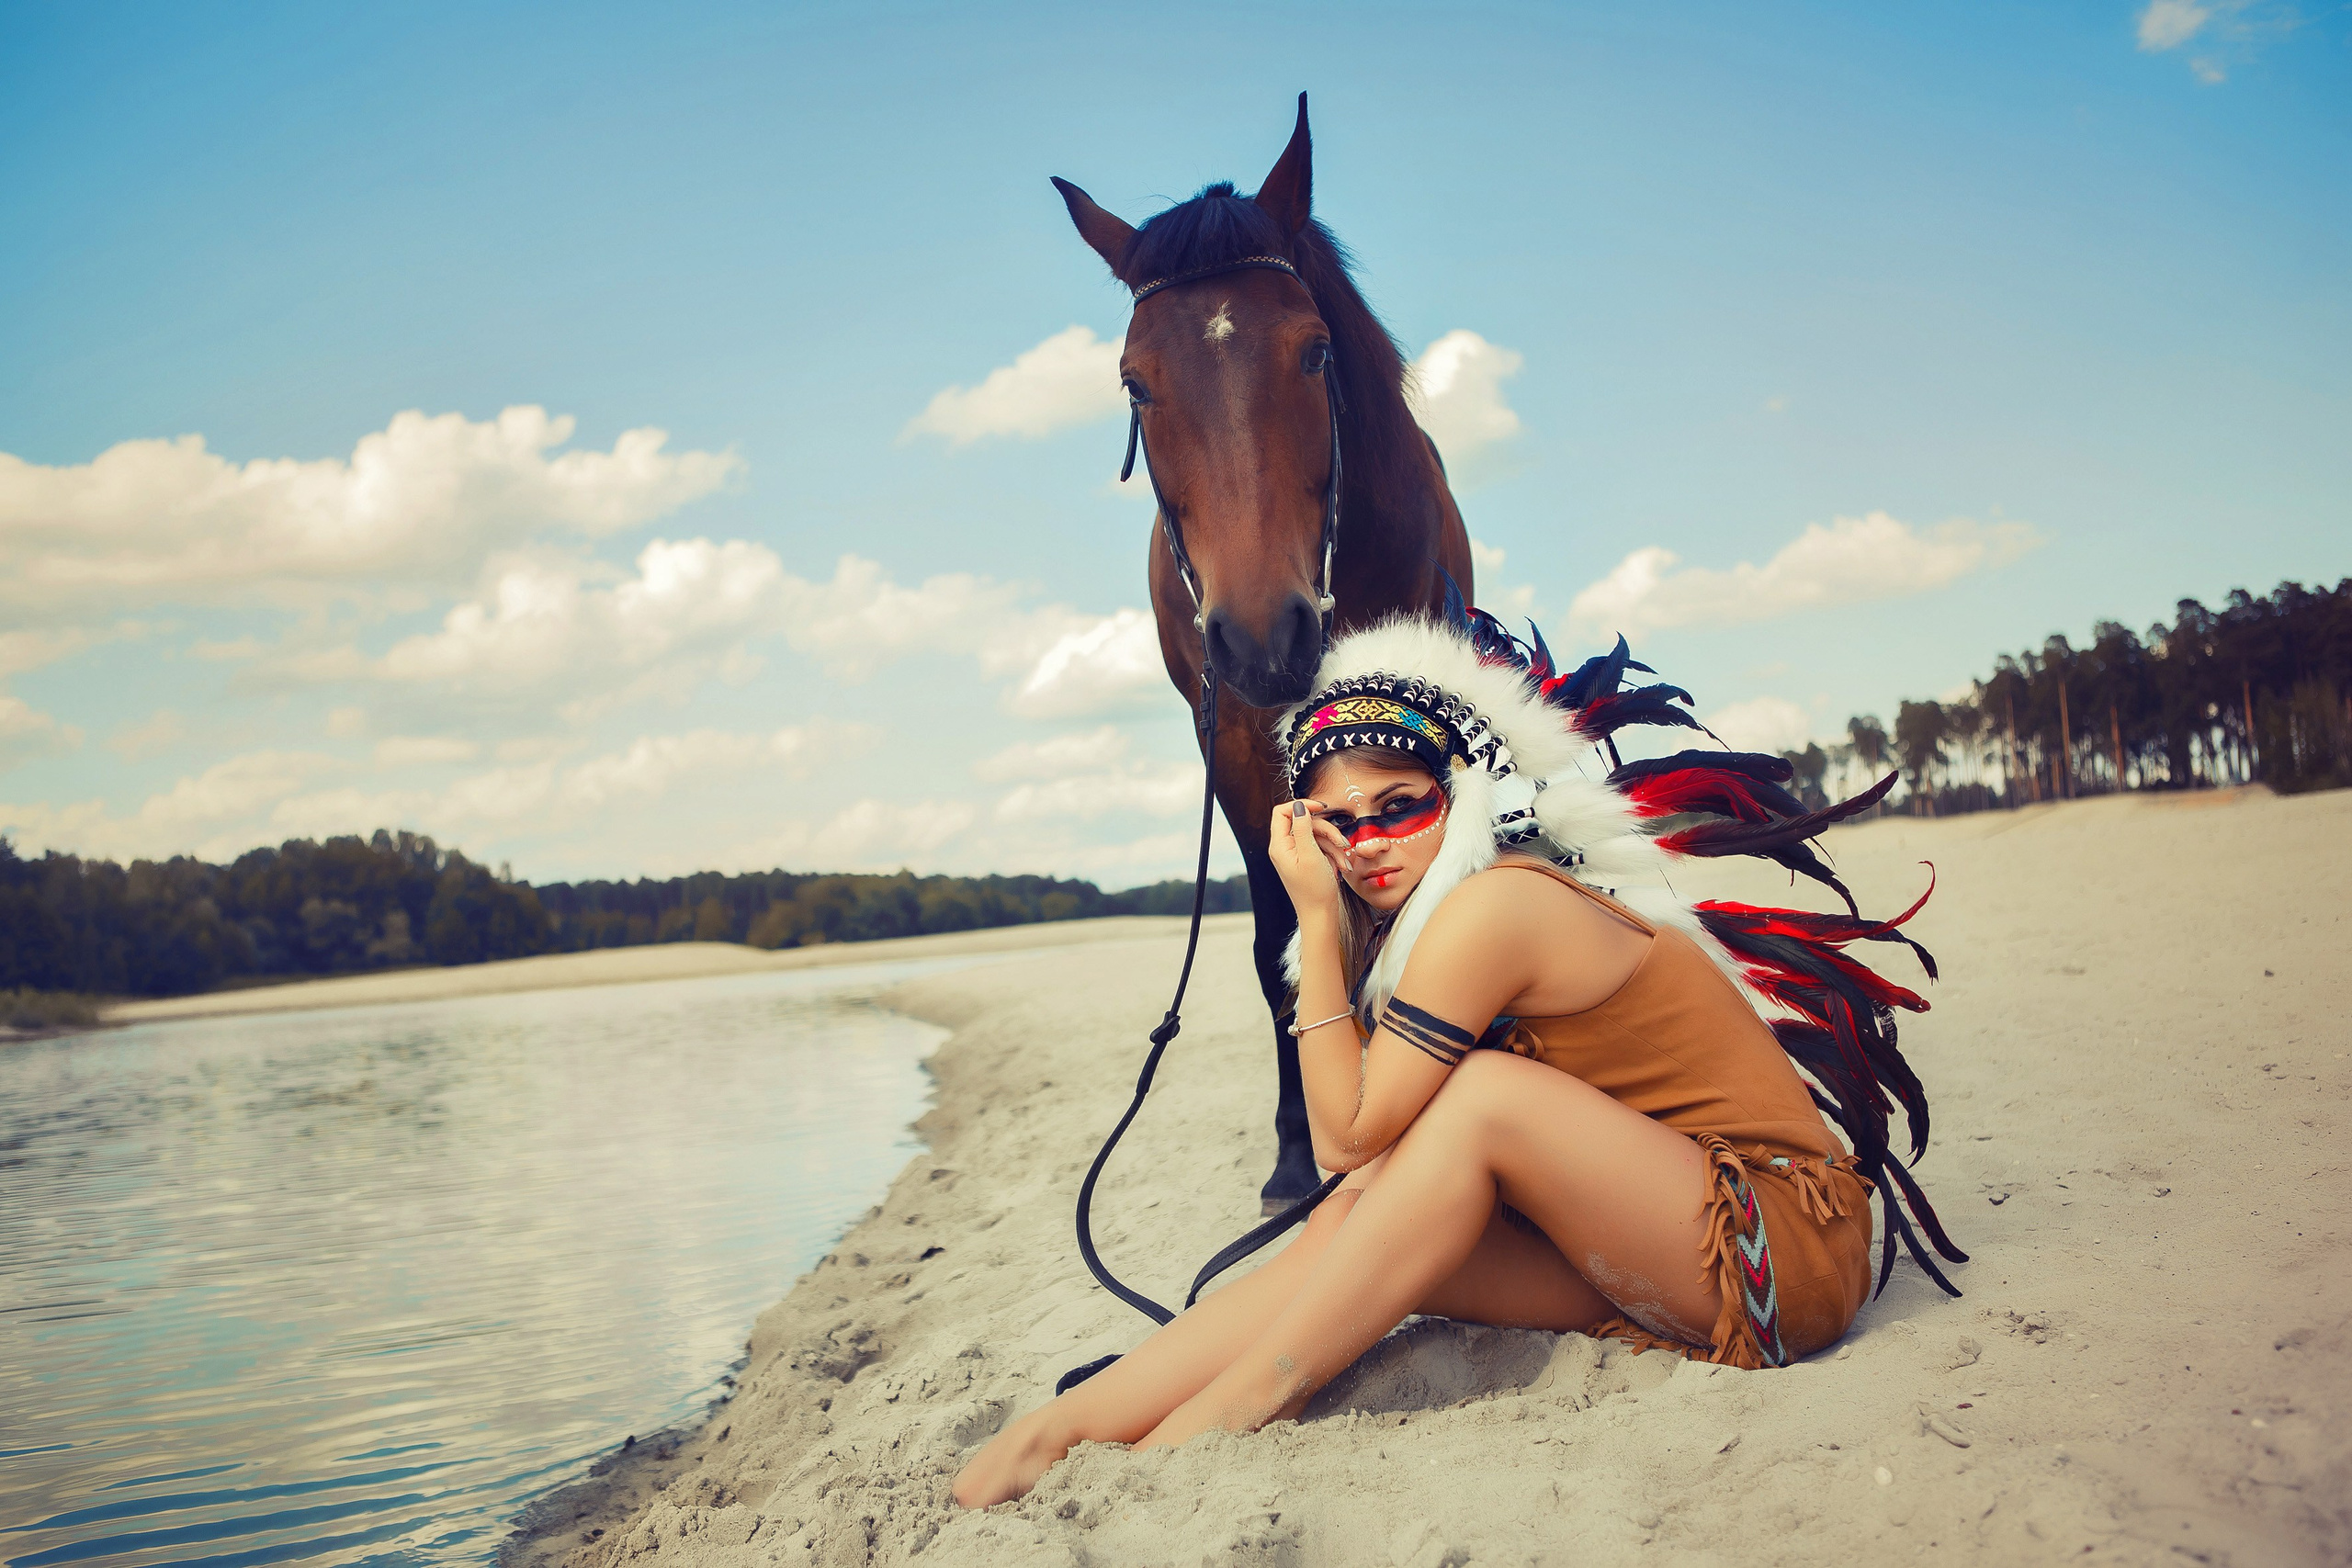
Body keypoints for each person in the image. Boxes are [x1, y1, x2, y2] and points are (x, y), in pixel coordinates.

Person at [953, 604, 1962, 1508]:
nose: (1369, 844)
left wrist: (1312, 915)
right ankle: (1060, 1433)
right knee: (1359, 1218)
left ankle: (1212, 1423)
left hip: (1781, 1246)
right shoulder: (1428, 929)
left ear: (1465, 793)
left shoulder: (1499, 904)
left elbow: (1342, 1130)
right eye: (1338, 826)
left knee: (1468, 1102)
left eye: (1401, 806)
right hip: (1653, 1245)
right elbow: (1358, 1165)